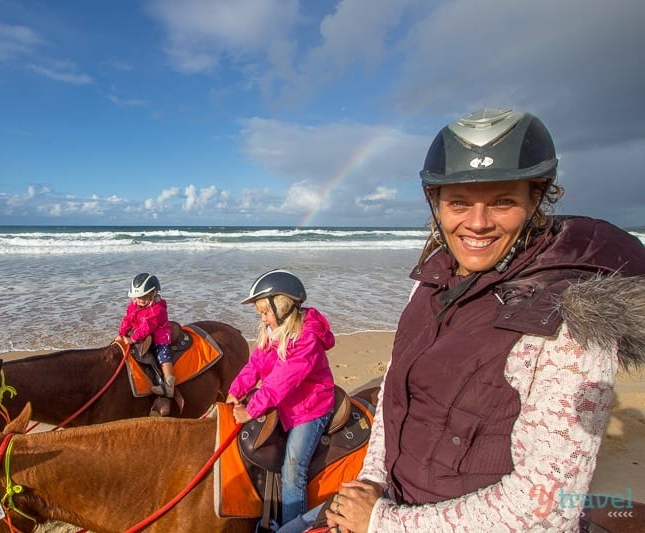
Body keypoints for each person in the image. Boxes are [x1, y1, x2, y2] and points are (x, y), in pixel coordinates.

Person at [325, 108, 645, 532]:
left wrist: (382, 523)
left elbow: (546, 508)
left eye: (502, 201)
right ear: (436, 203)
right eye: (458, 201)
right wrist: (370, 483)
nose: (477, 223)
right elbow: (393, 393)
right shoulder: (428, 284)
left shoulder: (570, 321)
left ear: (536, 199)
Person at [226, 269, 336, 527]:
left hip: (311, 409)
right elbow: (254, 365)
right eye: (260, 314)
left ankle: (293, 526)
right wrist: (236, 390)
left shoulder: (306, 337)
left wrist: (251, 409)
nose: (262, 319)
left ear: (283, 308)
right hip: (285, 405)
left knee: (292, 469)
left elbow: (281, 381)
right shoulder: (270, 332)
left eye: (265, 312)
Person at [115, 273, 174, 397]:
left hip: (160, 335)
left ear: (153, 294)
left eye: (145, 296)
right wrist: (121, 333)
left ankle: (169, 385)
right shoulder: (134, 305)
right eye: (137, 297)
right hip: (141, 331)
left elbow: (146, 327)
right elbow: (127, 319)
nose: (140, 300)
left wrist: (132, 339)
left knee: (162, 355)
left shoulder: (157, 310)